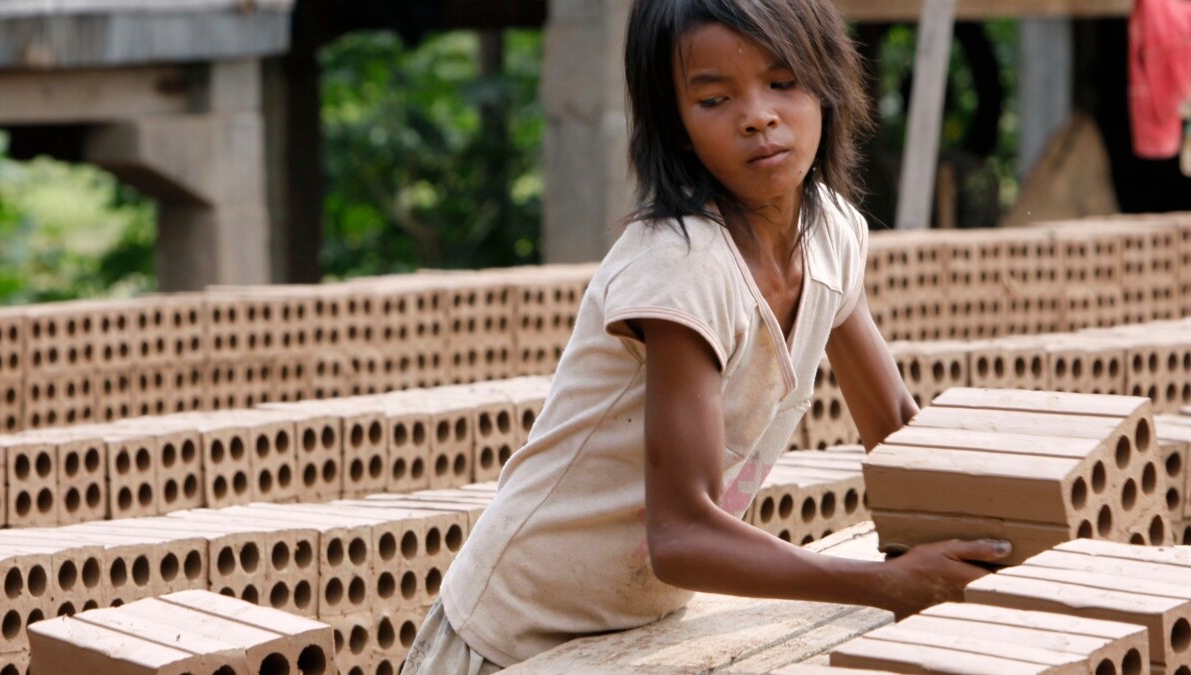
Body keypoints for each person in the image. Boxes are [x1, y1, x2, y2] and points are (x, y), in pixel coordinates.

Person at [403, 0, 1011, 672]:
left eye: (784, 83)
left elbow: (894, 428)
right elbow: (682, 534)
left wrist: (988, 543)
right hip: (511, 638)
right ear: (677, 124)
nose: (758, 115)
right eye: (716, 97)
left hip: (638, 630)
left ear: (830, 83)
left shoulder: (832, 234)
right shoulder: (682, 269)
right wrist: (881, 583)